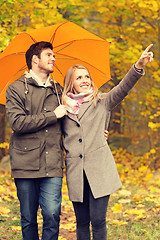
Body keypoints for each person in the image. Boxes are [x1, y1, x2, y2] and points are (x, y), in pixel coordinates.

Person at [62, 44, 153, 240]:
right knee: (82, 222)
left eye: (87, 76)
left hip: (99, 169)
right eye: (79, 78)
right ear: (71, 83)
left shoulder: (102, 101)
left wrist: (137, 66)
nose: (84, 80)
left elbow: (123, 88)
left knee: (98, 220)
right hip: (76, 171)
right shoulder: (62, 109)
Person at [5, 41, 67, 240]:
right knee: (28, 218)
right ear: (35, 60)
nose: (53, 59)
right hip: (25, 163)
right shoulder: (15, 89)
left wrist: (96, 133)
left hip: (53, 164)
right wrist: (52, 115)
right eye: (49, 55)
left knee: (52, 214)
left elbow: (72, 123)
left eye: (53, 55)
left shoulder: (59, 90)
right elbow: (18, 123)